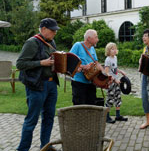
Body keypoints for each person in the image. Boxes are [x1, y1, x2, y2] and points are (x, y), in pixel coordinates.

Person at [16, 18, 60, 151]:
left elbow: (53, 61)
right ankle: (23, 149)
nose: (55, 33)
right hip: (37, 86)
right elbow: (20, 64)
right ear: (43, 29)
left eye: (55, 31)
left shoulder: (51, 42)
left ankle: (45, 147)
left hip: (52, 85)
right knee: (31, 120)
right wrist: (41, 63)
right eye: (53, 31)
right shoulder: (32, 42)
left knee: (49, 118)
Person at [70, 29, 103, 105]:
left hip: (91, 81)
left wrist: (105, 74)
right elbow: (69, 60)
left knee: (91, 105)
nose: (97, 39)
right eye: (96, 37)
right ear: (89, 38)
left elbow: (97, 63)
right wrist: (83, 67)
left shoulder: (92, 49)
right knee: (80, 106)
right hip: (78, 82)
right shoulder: (78, 45)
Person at [104, 42, 128, 124]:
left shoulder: (115, 58)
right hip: (111, 82)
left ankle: (118, 116)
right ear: (108, 50)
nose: (114, 50)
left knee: (118, 98)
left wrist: (121, 71)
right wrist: (114, 80)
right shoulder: (108, 60)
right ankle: (106, 117)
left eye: (115, 48)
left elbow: (114, 69)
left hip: (116, 82)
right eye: (112, 49)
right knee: (110, 99)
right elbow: (107, 73)